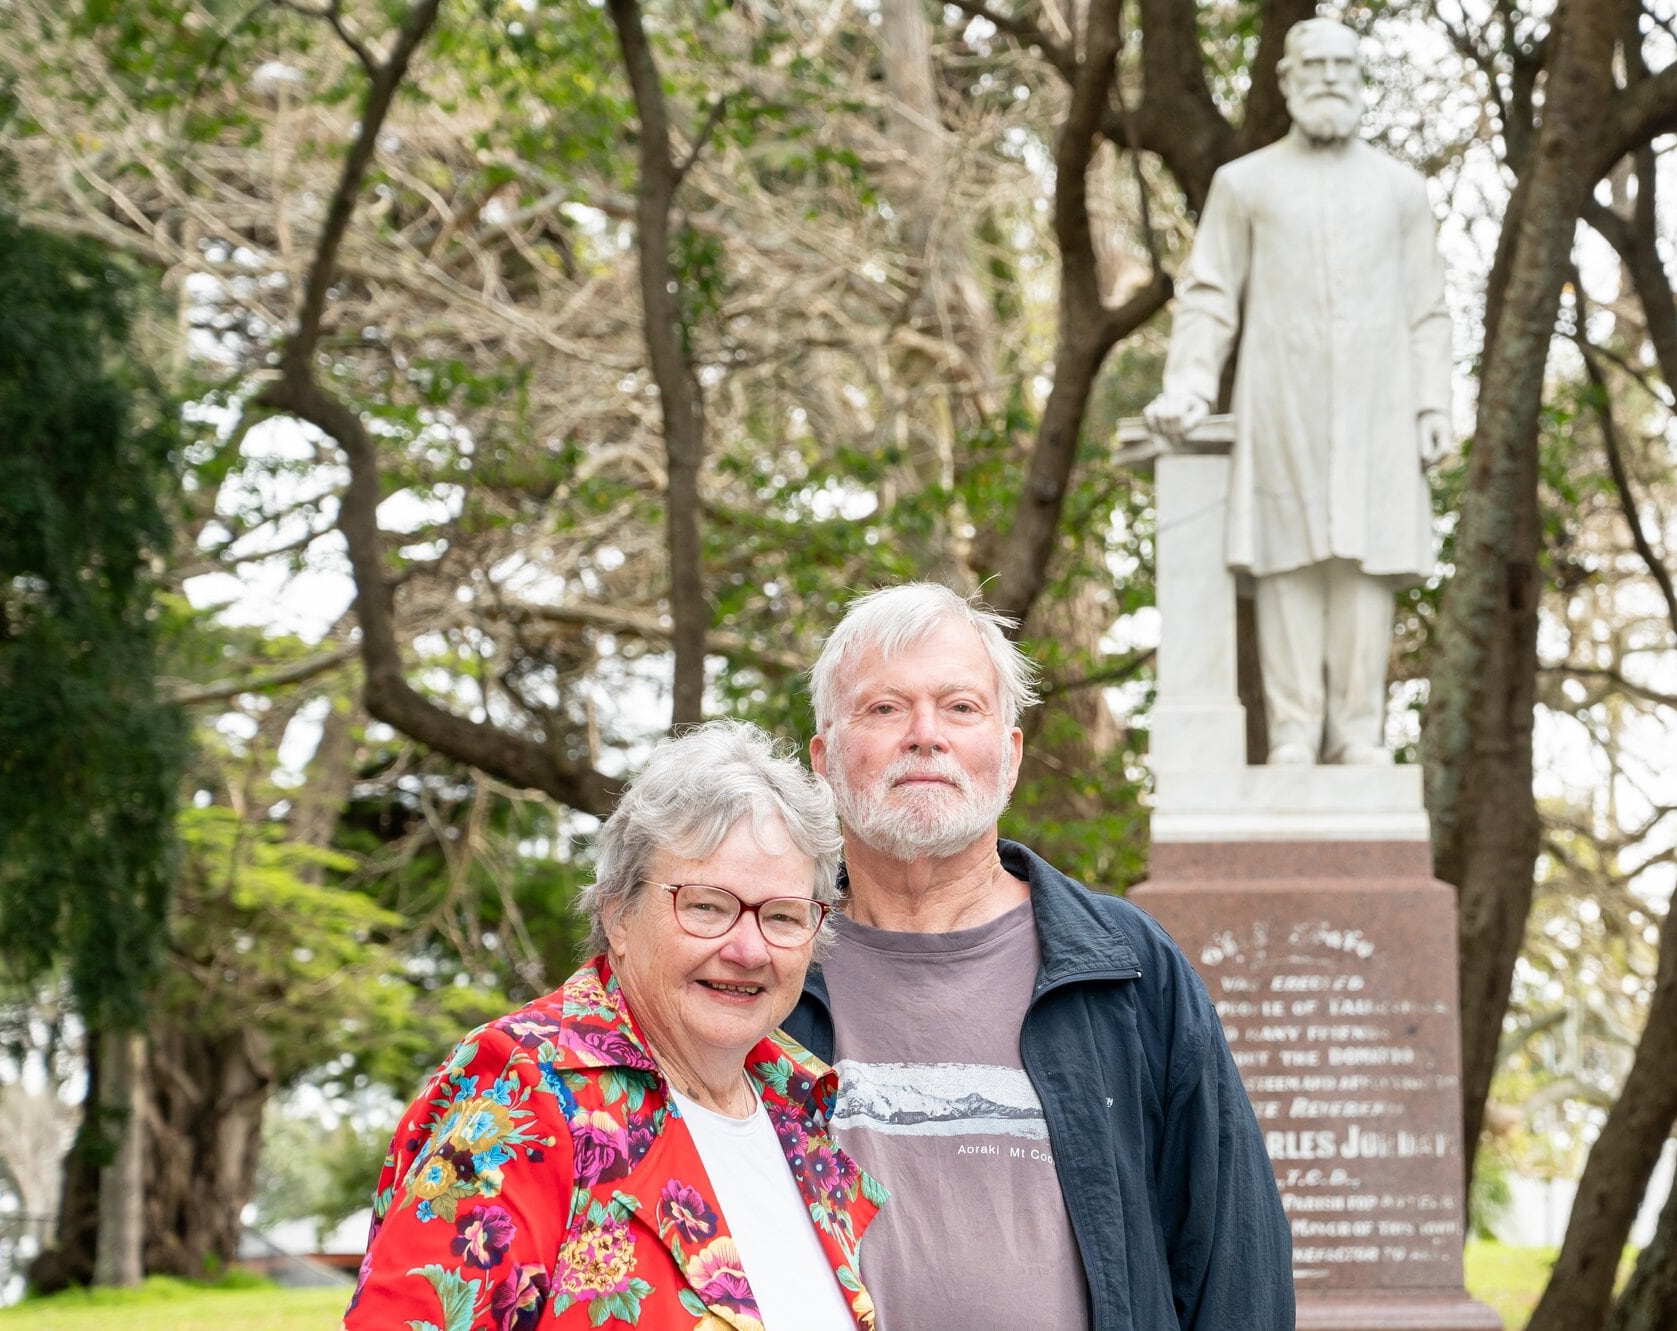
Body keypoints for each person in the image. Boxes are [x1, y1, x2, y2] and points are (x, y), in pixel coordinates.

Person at [785, 583, 1292, 1330]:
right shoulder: (767, 966)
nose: (926, 734)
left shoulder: (1127, 968)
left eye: (961, 707)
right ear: (825, 758)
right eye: (885, 708)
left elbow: (1233, 1262)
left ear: (1010, 754)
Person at [347, 721, 881, 1331]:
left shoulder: (798, 1103)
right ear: (618, 915)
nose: (749, 949)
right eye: (707, 906)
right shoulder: (525, 1090)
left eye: (783, 916)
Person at [1144, 17, 1453, 766]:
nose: (1326, 76)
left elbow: (1427, 309)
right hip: (1279, 399)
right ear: (1285, 80)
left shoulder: (1401, 190)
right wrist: (1187, 385)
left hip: (1378, 406)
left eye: (1340, 64)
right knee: (1288, 558)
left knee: (1364, 561)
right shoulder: (1245, 184)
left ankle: (1357, 731)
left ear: (1360, 75)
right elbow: (1212, 292)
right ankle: (1290, 730)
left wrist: (1432, 404)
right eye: (1310, 64)